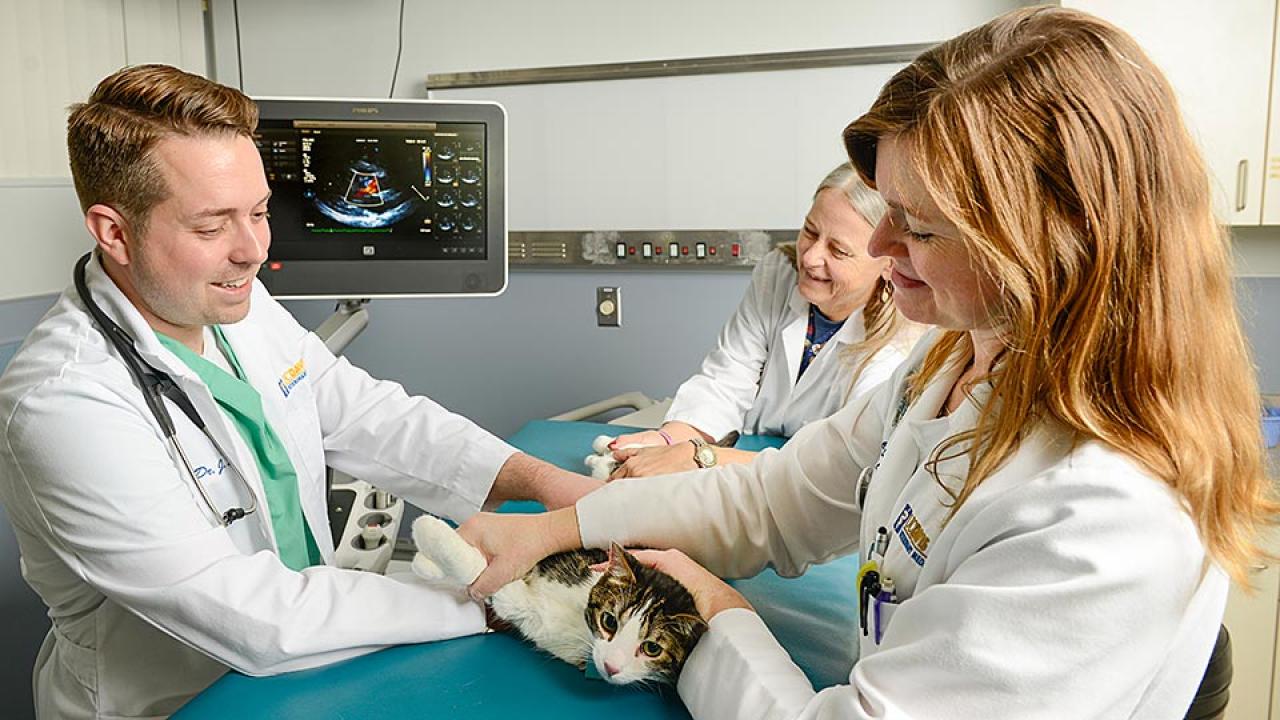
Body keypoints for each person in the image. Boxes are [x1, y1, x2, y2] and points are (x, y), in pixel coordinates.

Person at [457, 7, 1280, 718]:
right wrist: (564, 529)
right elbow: (774, 499)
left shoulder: (1101, 510)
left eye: (918, 227)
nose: (880, 250)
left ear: (1047, 247)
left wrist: (718, 615)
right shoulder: (948, 364)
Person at [0, 64, 600, 719]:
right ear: (113, 231)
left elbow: (369, 416)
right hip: (173, 702)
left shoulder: (238, 301)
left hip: (305, 680)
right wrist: (497, 601)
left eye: (259, 212)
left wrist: (539, 479)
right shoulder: (62, 403)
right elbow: (247, 614)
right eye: (212, 226)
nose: (253, 249)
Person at [608, 164, 908, 478]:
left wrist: (702, 457)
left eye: (838, 250)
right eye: (810, 232)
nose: (809, 257)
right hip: (746, 468)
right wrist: (667, 440)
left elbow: (840, 462)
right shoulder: (779, 273)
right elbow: (726, 380)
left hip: (814, 495)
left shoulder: (901, 341)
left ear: (889, 263)